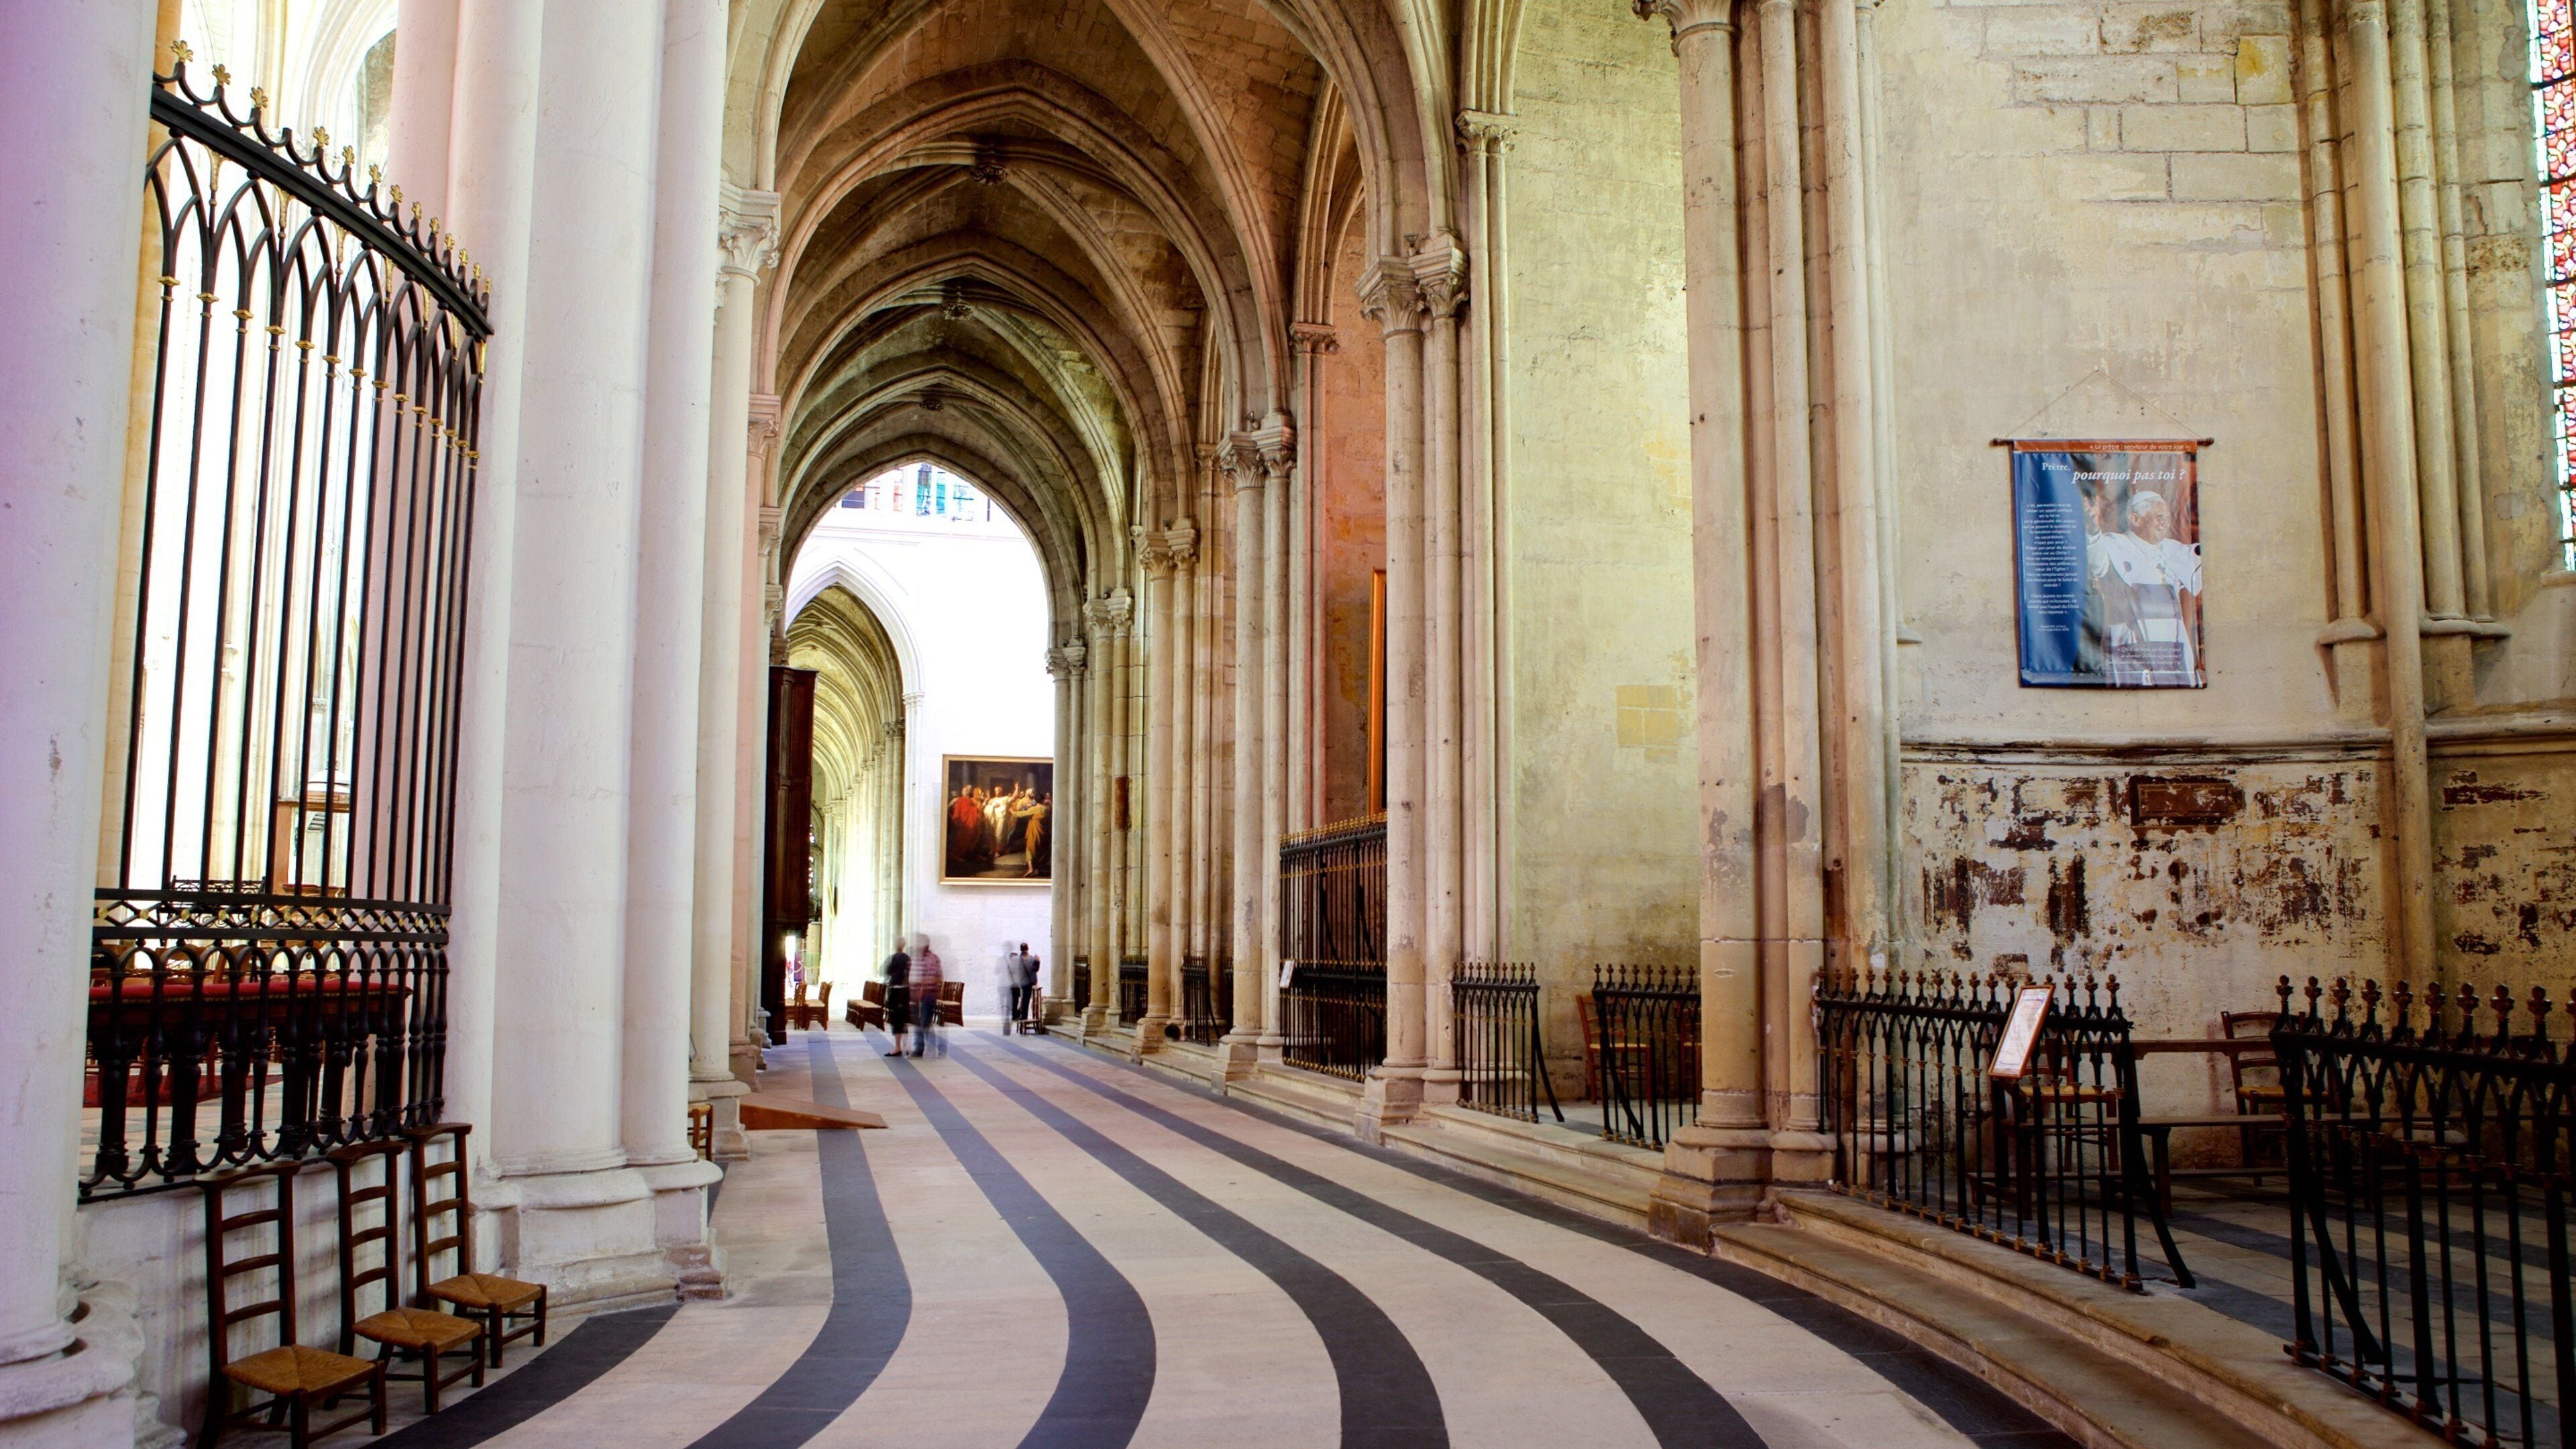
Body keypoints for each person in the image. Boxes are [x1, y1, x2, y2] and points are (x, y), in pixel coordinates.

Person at [2086, 488, 2203, 686]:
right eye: (2158, 517)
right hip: (2131, 647)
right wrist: (2092, 530)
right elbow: (2096, 562)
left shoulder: (2173, 549)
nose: (2165, 522)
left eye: (2167, 517)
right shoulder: (2115, 544)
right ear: (2135, 519)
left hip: (2170, 649)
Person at [908, 935, 944, 1057]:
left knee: (925, 1022)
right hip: (916, 994)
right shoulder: (916, 958)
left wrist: (921, 991)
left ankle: (931, 1046)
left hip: (928, 994)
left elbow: (932, 977)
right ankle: (919, 1049)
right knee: (918, 1022)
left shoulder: (932, 958)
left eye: (918, 942)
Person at [880, 940, 911, 1056]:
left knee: (896, 1019)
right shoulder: (908, 958)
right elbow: (909, 974)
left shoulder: (892, 958)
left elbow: (885, 971)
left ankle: (898, 1047)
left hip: (895, 991)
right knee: (904, 1018)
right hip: (905, 991)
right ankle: (905, 1046)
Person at [1004, 941, 1036, 1022]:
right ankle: (1023, 1017)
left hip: (1016, 983)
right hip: (1025, 983)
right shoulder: (1032, 959)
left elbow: (1009, 971)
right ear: (1028, 949)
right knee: (1025, 1000)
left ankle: (1017, 1015)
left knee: (1016, 1000)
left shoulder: (1016, 960)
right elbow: (1034, 971)